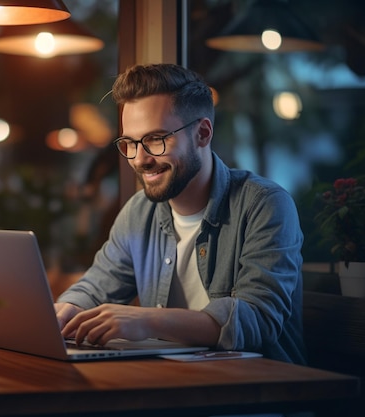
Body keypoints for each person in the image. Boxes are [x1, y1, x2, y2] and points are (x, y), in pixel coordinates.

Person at [55, 63, 306, 364]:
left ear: (202, 133)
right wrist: (65, 311)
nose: (140, 159)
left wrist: (146, 321)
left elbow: (257, 319)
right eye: (130, 143)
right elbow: (96, 288)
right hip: (170, 386)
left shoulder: (264, 205)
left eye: (156, 139)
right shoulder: (138, 211)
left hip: (257, 394)